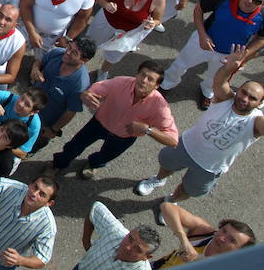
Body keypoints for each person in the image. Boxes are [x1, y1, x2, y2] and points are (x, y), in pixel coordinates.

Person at [136, 45, 264, 208]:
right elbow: (220, 81)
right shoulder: (225, 98)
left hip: (210, 167)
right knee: (167, 164)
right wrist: (228, 67)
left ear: (260, 104)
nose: (245, 99)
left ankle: (171, 201)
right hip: (187, 145)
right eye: (243, 92)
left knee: (190, 189)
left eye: (252, 98)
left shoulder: (257, 122)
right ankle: (158, 180)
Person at [48, 61, 179, 180]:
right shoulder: (121, 82)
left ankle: (94, 163)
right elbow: (95, 89)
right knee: (74, 145)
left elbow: (173, 140)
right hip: (99, 123)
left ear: (157, 85)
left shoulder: (160, 106)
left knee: (106, 155)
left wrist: (148, 130)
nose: (144, 80)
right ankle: (57, 164)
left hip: (124, 137)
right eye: (142, 75)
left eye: (150, 79)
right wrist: (86, 94)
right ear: (137, 74)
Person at [159, 0, 264, 109]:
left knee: (216, 77)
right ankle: (167, 83)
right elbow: (199, 8)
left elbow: (261, 38)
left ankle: (207, 91)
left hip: (228, 54)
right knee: (181, 64)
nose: (250, 1)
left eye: (257, 1)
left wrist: (244, 54)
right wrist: (202, 35)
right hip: (202, 42)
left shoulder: (261, 17)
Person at [88, 0, 167, 82]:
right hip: (106, 21)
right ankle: (79, 63)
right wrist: (106, 5)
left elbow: (158, 19)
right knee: (91, 44)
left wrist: (152, 23)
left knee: (113, 56)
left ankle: (102, 72)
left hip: (128, 33)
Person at [30, 38, 96, 154]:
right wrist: (35, 69)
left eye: (74, 53)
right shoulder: (57, 53)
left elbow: (70, 112)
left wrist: (53, 130)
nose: (68, 52)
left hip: (44, 122)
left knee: (32, 144)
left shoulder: (79, 84)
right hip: (28, 104)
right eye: (69, 47)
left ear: (84, 60)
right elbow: (40, 60)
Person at [154, 203, 256, 268]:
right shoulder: (204, 234)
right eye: (224, 230)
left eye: (232, 240)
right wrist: (184, 240)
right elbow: (167, 207)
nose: (221, 238)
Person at [77, 201, 161, 270]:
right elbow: (95, 209)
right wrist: (86, 241)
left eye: (137, 249)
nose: (128, 247)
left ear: (146, 257)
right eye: (130, 239)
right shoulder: (115, 231)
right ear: (129, 233)